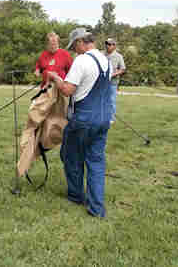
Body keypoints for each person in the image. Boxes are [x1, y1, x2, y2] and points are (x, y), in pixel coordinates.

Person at [47, 28, 111, 218]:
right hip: (103, 118)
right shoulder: (105, 60)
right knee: (96, 161)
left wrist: (56, 78)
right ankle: (97, 208)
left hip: (83, 118)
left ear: (81, 42)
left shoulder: (82, 60)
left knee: (70, 155)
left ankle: (76, 195)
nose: (75, 50)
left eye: (75, 46)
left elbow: (67, 90)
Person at [103, 38, 126, 123]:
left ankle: (111, 118)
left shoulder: (119, 56)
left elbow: (123, 69)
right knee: (102, 100)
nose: (107, 46)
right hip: (102, 82)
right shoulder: (102, 54)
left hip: (113, 82)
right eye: (106, 44)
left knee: (111, 100)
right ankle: (103, 116)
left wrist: (113, 74)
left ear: (114, 46)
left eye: (109, 44)